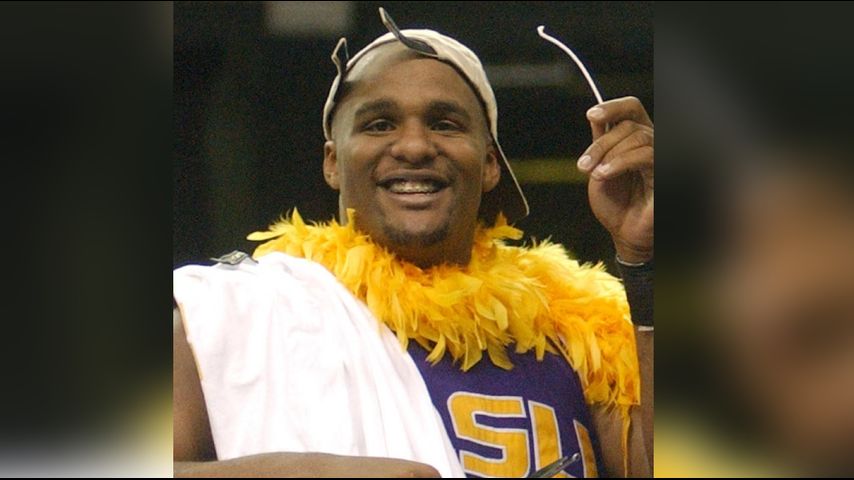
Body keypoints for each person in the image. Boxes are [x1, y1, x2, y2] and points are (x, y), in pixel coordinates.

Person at [173, 8, 653, 478]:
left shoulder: (580, 327)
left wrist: (647, 259)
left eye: (445, 123)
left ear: (490, 164)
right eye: (379, 124)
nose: (415, 147)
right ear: (332, 162)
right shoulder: (234, 315)